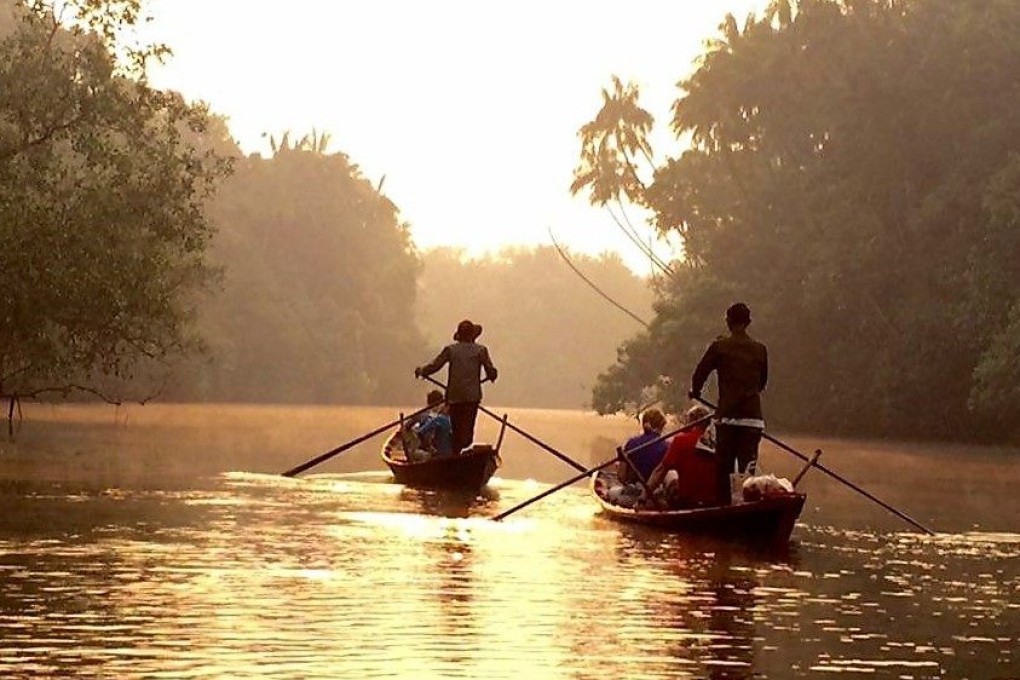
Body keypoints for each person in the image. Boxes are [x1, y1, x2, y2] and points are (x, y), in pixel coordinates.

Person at [690, 302, 768, 506]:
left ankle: (724, 508)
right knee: (747, 472)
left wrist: (695, 392)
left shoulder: (719, 347)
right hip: (753, 421)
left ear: (728, 322)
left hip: (728, 418)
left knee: (723, 469)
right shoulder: (760, 350)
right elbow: (762, 383)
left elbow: (700, 373)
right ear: (748, 322)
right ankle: (747, 507)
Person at [415, 319, 498, 454]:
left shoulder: (451, 350)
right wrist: (493, 375)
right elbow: (491, 371)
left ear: (459, 336)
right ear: (472, 336)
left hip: (455, 397)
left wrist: (422, 371)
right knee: (467, 435)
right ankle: (456, 455)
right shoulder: (481, 351)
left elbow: (434, 366)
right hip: (471, 399)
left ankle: (453, 454)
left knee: (456, 431)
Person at [647, 404, 720, 508]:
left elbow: (660, 471)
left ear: (691, 421)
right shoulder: (719, 443)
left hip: (688, 503)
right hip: (714, 502)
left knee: (669, 477)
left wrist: (642, 499)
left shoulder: (680, 440)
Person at [618, 407, 668, 485]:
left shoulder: (631, 443)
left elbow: (621, 476)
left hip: (633, 490)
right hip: (655, 492)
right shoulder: (666, 446)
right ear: (661, 426)